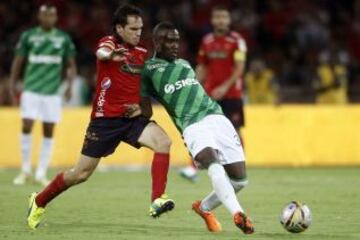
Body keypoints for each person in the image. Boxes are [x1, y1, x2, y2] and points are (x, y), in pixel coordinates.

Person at [26, 5, 174, 230]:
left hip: (131, 119)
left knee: (163, 142)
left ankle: (157, 199)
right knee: (80, 174)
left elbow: (144, 91)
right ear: (120, 28)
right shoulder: (109, 43)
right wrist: (112, 55)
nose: (138, 33)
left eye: (140, 28)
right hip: (104, 121)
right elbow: (101, 52)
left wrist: (142, 110)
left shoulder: (142, 54)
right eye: (133, 28)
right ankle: (38, 201)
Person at [139, 22, 254, 234]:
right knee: (213, 164)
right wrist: (134, 106)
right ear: (156, 42)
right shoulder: (147, 71)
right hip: (191, 125)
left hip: (217, 117)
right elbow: (146, 111)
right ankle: (238, 214)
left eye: (177, 41)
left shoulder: (184, 64)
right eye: (169, 41)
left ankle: (203, 208)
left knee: (240, 180)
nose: (175, 45)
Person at [9, 4, 77, 186]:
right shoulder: (29, 36)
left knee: (48, 130)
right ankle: (24, 170)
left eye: (52, 15)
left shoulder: (63, 39)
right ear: (39, 17)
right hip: (31, 88)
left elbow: (70, 64)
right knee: (27, 125)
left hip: (52, 92)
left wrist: (70, 86)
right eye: (45, 15)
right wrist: (12, 82)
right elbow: (18, 60)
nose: (48, 18)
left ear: (56, 18)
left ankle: (40, 172)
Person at [180, 5, 247, 181]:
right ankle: (192, 168)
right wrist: (193, 85)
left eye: (224, 17)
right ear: (212, 20)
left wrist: (225, 87)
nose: (221, 21)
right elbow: (202, 66)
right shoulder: (207, 41)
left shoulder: (236, 41)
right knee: (202, 130)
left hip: (232, 94)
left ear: (229, 20)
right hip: (210, 95)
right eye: (217, 17)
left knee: (235, 132)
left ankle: (239, 166)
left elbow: (239, 68)